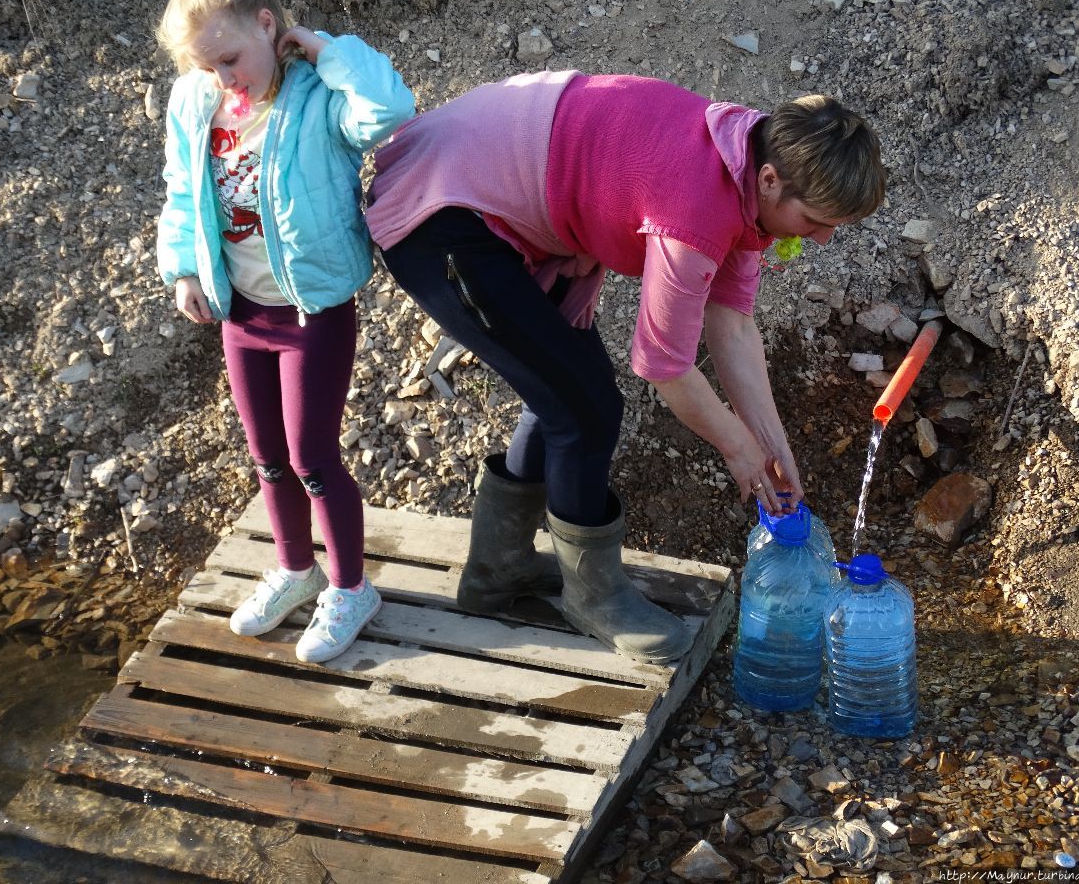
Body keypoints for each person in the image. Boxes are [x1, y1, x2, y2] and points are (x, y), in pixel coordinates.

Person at [365, 73, 884, 664]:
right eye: (817, 221)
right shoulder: (698, 208)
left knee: (565, 392)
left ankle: (496, 570)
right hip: (445, 210)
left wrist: (771, 444)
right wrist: (737, 448)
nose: (819, 240)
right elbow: (663, 365)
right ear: (770, 181)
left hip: (491, 187)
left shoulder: (747, 163)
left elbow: (733, 325)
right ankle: (591, 596)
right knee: (585, 409)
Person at [154, 0, 414, 663]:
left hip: (313, 310)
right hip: (241, 310)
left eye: (231, 58)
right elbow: (183, 192)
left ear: (267, 24)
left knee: (312, 456)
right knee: (267, 456)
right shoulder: (194, 101)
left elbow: (389, 111)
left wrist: (332, 51)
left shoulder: (318, 97)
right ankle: (298, 572)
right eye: (206, 65)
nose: (223, 77)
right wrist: (183, 269)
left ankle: (353, 587)